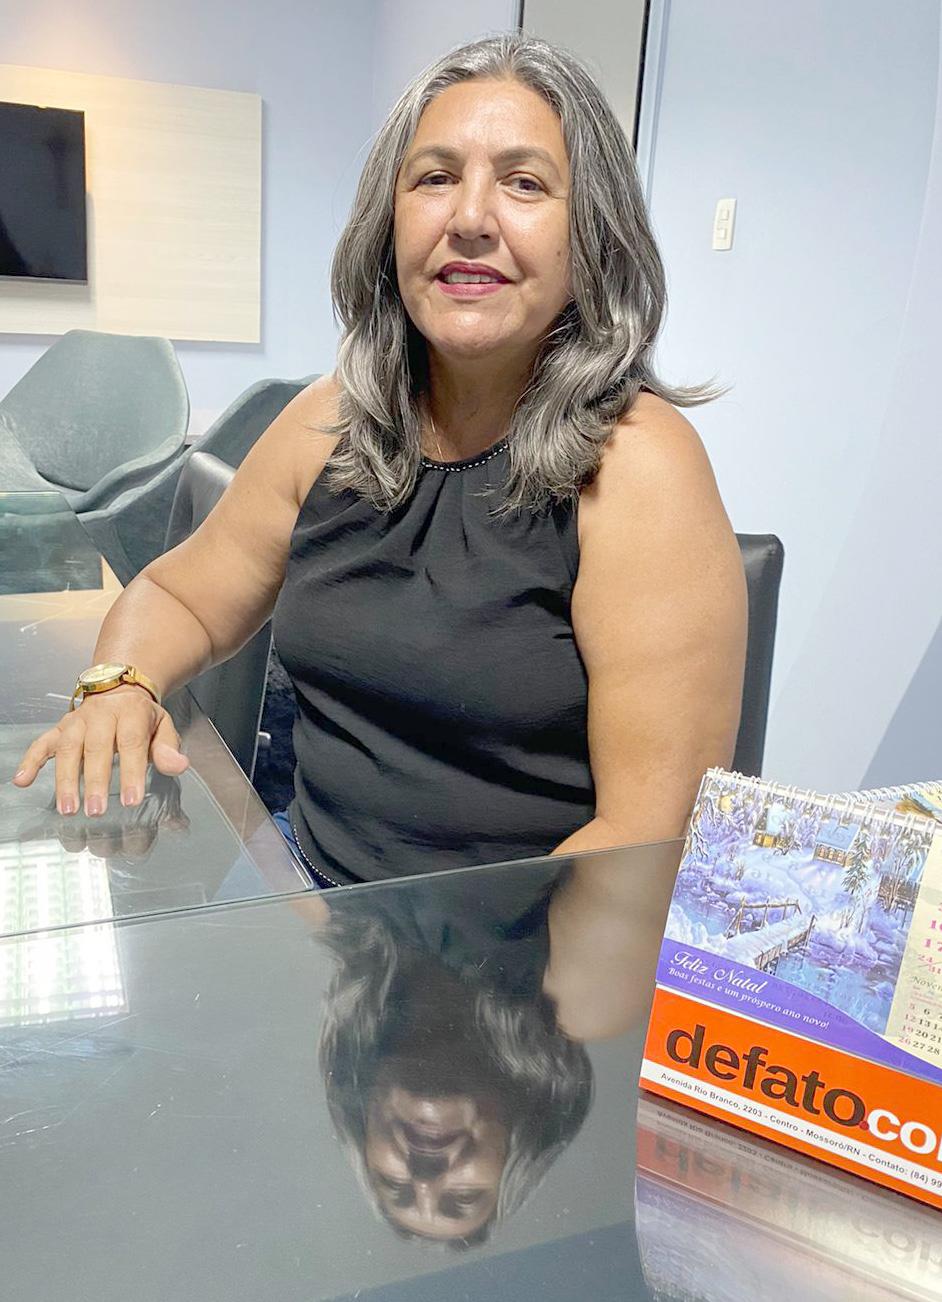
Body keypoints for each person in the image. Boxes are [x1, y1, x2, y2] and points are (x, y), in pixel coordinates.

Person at [10, 33, 748, 887]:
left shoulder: (639, 465)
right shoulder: (329, 421)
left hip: (521, 945)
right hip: (311, 891)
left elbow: (644, 845)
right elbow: (181, 596)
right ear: (388, 222)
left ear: (592, 234)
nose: (469, 219)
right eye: (435, 178)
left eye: (524, 182)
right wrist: (119, 687)